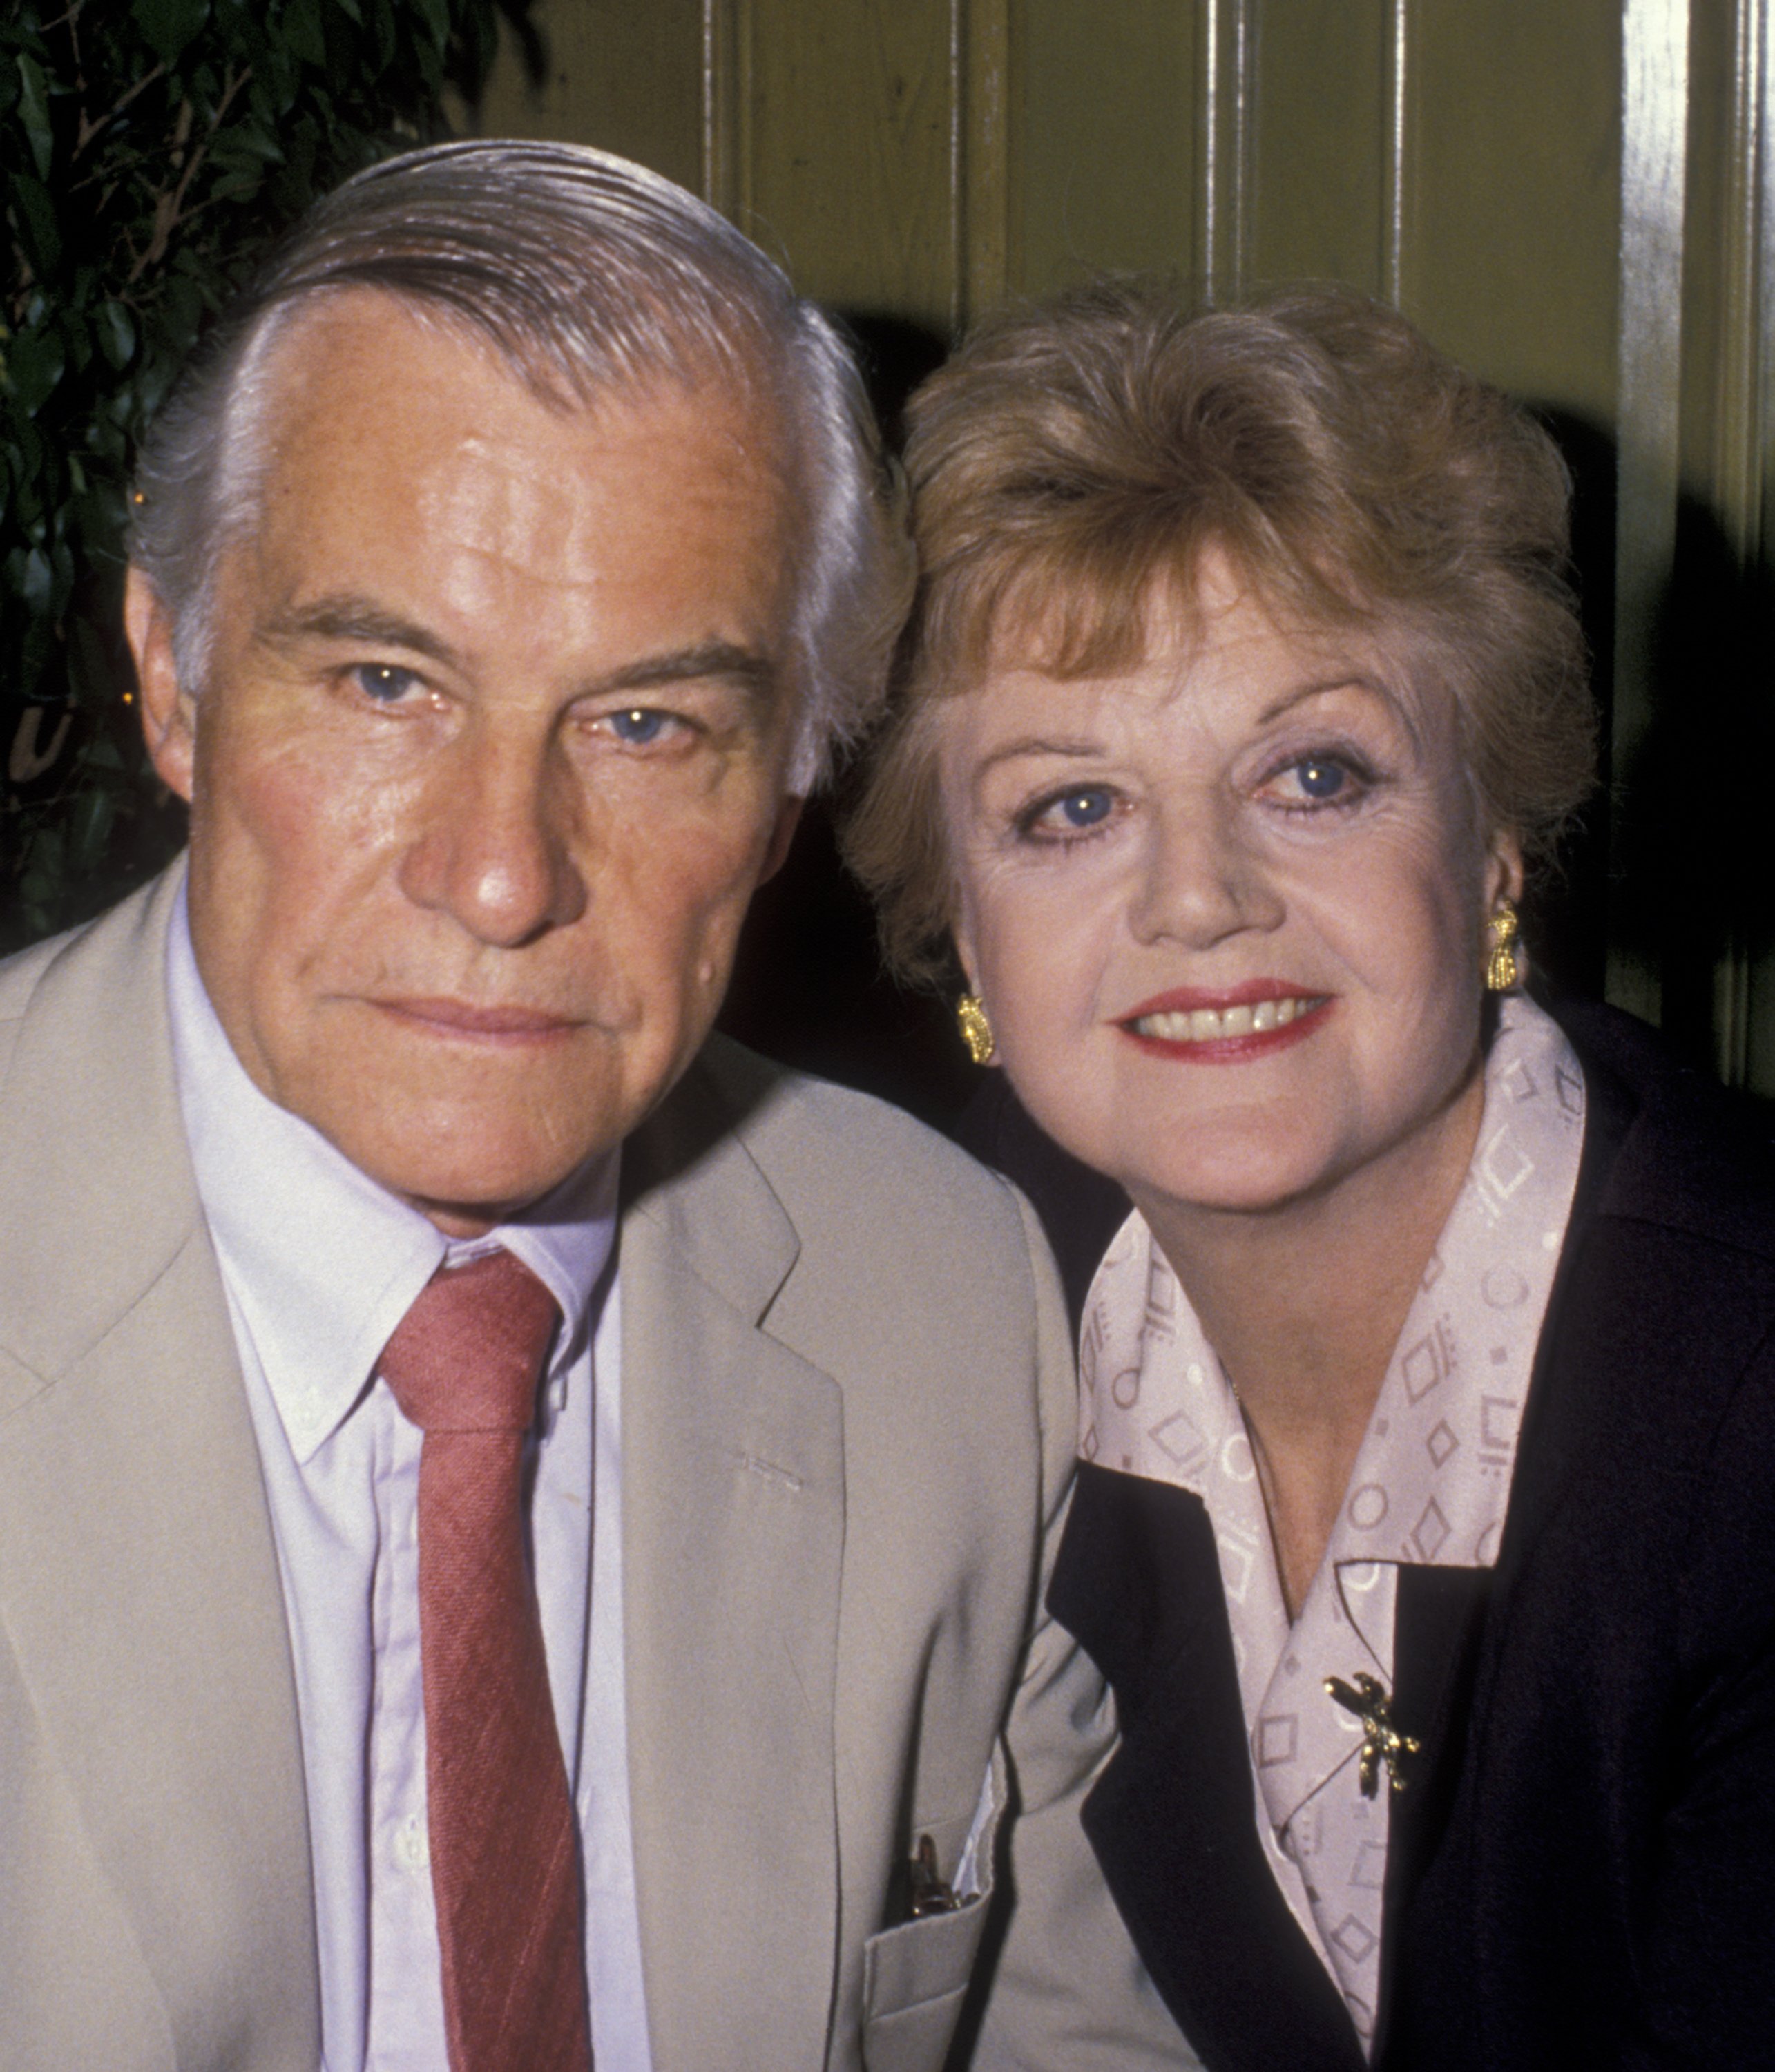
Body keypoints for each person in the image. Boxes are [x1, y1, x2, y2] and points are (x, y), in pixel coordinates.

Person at [0, 146, 1189, 2072]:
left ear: (789, 783)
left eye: (646, 724)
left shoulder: (945, 1305)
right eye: (384, 681)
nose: (501, 875)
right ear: (174, 682)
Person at [846, 281, 1775, 2071]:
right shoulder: (948, 1310)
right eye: (1070, 808)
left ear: (1493, 842)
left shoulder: (1742, 1409)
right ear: (960, 926)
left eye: (1316, 774)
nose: (1197, 900)